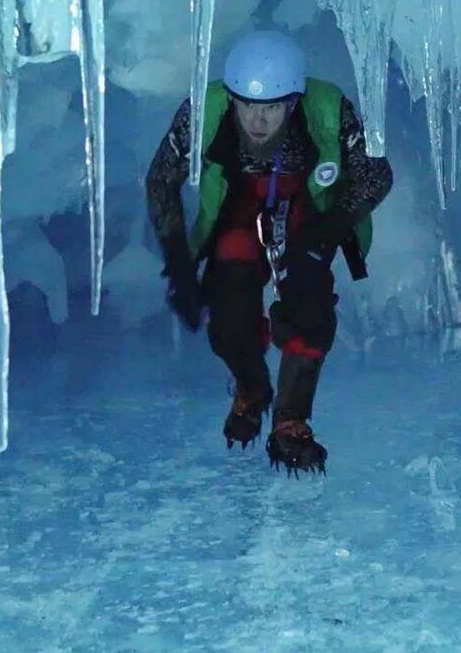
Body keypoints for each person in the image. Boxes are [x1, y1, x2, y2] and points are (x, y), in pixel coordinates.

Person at [145, 30, 393, 474]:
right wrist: (179, 261)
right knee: (228, 308)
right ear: (232, 99)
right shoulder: (203, 112)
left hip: (308, 211)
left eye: (272, 109)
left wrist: (328, 230)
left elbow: (377, 175)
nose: (258, 122)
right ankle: (251, 389)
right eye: (248, 107)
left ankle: (290, 419)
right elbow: (161, 178)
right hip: (238, 205)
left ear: (293, 103)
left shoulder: (330, 110)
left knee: (311, 300)